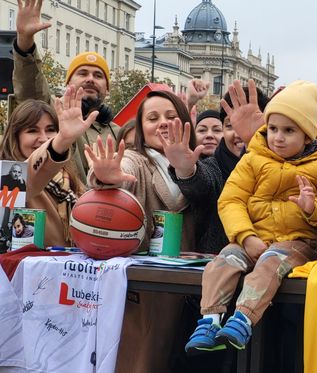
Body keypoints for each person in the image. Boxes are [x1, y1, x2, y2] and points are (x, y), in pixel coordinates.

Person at [184, 80, 317, 354]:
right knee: (225, 259)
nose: (278, 137)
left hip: (297, 242)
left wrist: (313, 208)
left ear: (307, 135)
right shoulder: (252, 159)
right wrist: (245, 236)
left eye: (288, 130)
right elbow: (231, 199)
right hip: (253, 237)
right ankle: (210, 319)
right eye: (272, 129)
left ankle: (244, 318)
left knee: (271, 263)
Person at [86, 89, 198, 373]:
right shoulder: (138, 160)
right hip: (147, 287)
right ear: (141, 128)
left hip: (187, 286)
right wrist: (104, 177)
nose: (161, 122)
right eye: (152, 117)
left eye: (171, 116)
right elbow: (120, 173)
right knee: (141, 361)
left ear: (185, 123)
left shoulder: (197, 164)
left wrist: (187, 169)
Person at [12, 0, 120, 177]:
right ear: (68, 82)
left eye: (98, 76)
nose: (90, 79)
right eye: (82, 73)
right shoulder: (51, 112)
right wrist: (25, 41)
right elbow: (30, 85)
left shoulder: (117, 132)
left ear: (107, 89)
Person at [163, 81, 270, 253]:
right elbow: (201, 184)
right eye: (229, 125)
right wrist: (185, 171)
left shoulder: (282, 166)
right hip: (216, 267)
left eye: (251, 123)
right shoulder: (214, 167)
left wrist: (254, 143)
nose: (239, 133)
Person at [0, 91, 92, 247]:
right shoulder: (7, 177)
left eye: (50, 129)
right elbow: (30, 175)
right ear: (15, 137)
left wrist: (103, 181)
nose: (43, 138)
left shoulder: (70, 181)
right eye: (32, 130)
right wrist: (60, 142)